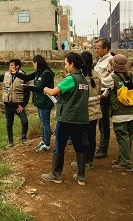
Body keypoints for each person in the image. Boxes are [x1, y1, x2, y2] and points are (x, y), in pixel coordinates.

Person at [41, 52, 89, 185]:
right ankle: (81, 176)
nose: (65, 66)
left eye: (66, 63)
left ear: (72, 64)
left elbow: (53, 92)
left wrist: (45, 88)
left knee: (59, 145)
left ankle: (56, 174)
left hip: (67, 117)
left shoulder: (71, 79)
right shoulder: (84, 80)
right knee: (79, 146)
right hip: (80, 118)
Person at [103, 54, 133, 172]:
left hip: (119, 113)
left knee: (122, 137)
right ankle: (123, 158)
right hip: (132, 111)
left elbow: (100, 82)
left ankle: (126, 163)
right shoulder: (132, 76)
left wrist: (109, 70)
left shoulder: (113, 78)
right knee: (129, 136)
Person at [13, 55, 55, 152]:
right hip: (39, 102)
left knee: (45, 123)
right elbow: (27, 77)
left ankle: (47, 144)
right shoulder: (38, 73)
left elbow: (40, 88)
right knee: (42, 122)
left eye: (33, 64)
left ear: (37, 63)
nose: (33, 66)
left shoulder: (47, 74)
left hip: (45, 102)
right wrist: (16, 73)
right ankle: (44, 140)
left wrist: (28, 87)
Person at [71, 51, 102, 170]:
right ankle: (89, 161)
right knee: (91, 137)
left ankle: (83, 162)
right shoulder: (96, 75)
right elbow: (99, 92)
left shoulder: (81, 77)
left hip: (83, 113)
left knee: (82, 138)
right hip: (95, 111)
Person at [93, 37, 114, 158]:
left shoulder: (111, 61)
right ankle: (101, 146)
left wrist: (97, 81)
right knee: (99, 122)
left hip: (104, 96)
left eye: (98, 48)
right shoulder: (101, 60)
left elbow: (109, 82)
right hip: (98, 94)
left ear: (106, 48)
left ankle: (103, 148)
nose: (96, 50)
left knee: (103, 122)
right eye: (95, 48)